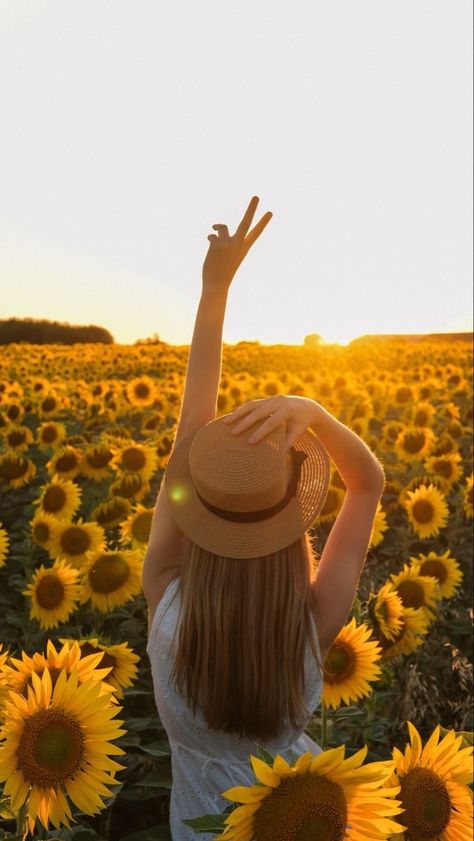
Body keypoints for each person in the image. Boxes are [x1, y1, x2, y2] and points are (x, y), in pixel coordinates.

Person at [142, 196, 385, 840]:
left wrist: (213, 288)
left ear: (201, 520)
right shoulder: (310, 630)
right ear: (291, 524)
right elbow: (367, 485)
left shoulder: (166, 605)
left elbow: (186, 436)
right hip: (306, 817)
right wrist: (314, 410)